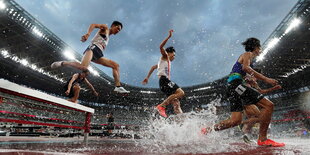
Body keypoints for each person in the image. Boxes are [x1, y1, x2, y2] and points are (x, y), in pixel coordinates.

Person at [201, 38, 285, 147]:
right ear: (255, 47)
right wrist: (266, 79)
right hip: (236, 85)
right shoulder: (247, 54)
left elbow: (258, 87)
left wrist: (268, 87)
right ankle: (263, 139)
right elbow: (246, 67)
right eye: (260, 48)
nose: (260, 50)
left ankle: (206, 130)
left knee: (235, 121)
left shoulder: (247, 63)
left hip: (233, 86)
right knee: (268, 105)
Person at [51, 21, 129, 93]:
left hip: (98, 53)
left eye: (119, 30)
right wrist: (88, 34)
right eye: (117, 28)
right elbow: (94, 25)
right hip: (92, 49)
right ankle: (63, 63)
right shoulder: (105, 28)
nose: (118, 31)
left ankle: (117, 87)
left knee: (115, 65)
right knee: (83, 67)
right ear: (112, 26)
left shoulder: (108, 36)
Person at [147, 29, 184, 118]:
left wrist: (147, 77)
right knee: (181, 93)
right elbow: (160, 47)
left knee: (176, 104)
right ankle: (161, 106)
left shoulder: (163, 62)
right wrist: (169, 37)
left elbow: (153, 67)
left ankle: (182, 121)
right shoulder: (165, 56)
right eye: (173, 55)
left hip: (163, 82)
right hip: (164, 80)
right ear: (169, 53)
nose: (174, 57)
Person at [240, 73, 282, 143]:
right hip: (245, 101)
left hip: (250, 101)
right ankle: (242, 126)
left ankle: (245, 132)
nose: (255, 79)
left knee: (259, 118)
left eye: (256, 78)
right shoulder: (245, 79)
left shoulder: (254, 84)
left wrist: (273, 88)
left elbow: (261, 91)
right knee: (258, 117)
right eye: (255, 77)